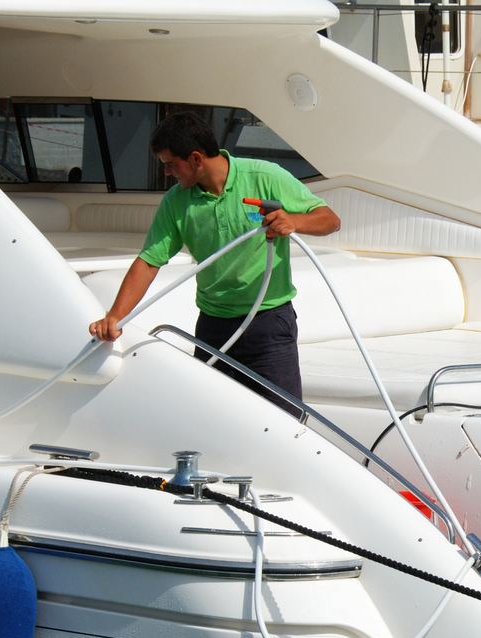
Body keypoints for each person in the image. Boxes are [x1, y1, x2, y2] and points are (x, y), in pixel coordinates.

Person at [88, 112, 340, 415]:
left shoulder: (265, 177)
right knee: (214, 419)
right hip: (213, 327)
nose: (167, 173)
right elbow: (149, 262)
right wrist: (114, 317)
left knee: (286, 421)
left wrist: (294, 221)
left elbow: (329, 220)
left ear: (196, 158)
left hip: (269, 324)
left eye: (170, 164)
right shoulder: (176, 201)